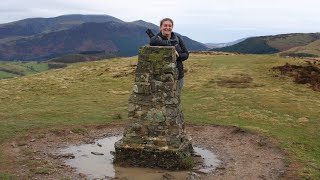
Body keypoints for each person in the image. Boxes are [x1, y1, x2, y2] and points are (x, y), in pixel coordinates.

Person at [149, 18, 189, 92]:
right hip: (160, 76)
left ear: (172, 27)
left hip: (178, 75)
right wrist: (171, 48)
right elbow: (152, 41)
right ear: (161, 27)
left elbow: (186, 54)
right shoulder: (156, 39)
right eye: (165, 25)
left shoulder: (177, 39)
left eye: (170, 26)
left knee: (176, 98)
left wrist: (178, 56)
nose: (167, 28)